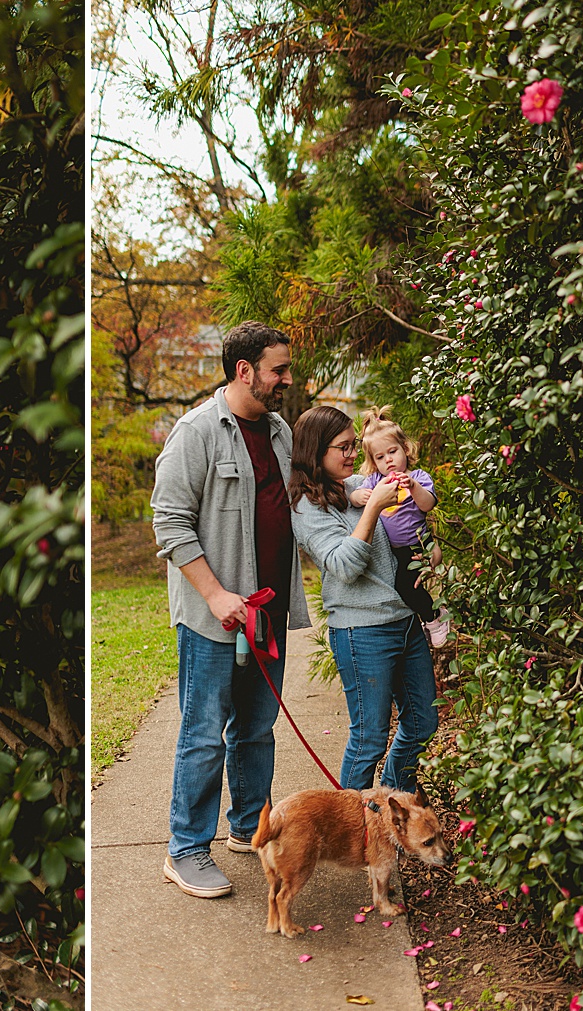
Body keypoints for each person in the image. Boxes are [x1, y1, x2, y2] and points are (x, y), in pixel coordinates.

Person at [150, 320, 311, 898]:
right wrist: (216, 593)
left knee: (258, 728)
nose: (287, 379)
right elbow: (168, 519)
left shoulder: (280, 432)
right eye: (279, 370)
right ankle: (186, 848)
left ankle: (247, 828)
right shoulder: (196, 431)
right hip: (214, 617)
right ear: (246, 371)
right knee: (204, 732)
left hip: (268, 612)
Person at [288, 406, 439, 793]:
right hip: (361, 631)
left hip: (404, 620)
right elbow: (343, 566)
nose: (353, 454)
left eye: (355, 445)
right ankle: (352, 830)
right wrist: (372, 507)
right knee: (370, 738)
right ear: (316, 452)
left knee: (423, 722)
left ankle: (392, 803)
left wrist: (430, 549)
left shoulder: (359, 482)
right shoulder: (306, 507)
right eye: (343, 447)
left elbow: (412, 523)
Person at [348, 406, 452, 646]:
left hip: (417, 544)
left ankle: (435, 616)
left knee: (406, 586)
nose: (389, 460)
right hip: (392, 550)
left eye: (392, 452)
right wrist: (359, 498)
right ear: (373, 461)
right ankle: (428, 618)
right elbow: (355, 495)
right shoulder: (375, 481)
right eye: (380, 457)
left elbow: (427, 505)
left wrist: (413, 486)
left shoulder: (419, 477)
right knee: (402, 588)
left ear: (405, 449)